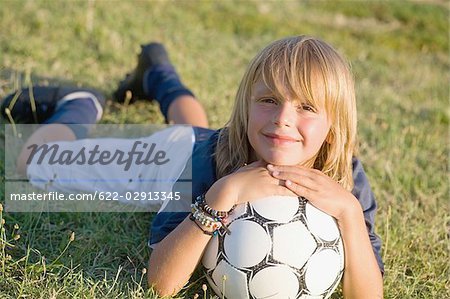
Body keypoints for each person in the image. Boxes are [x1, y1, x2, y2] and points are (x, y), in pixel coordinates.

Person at [1, 36, 383, 298]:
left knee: (192, 130)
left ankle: (159, 74)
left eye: (307, 107)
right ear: (245, 105)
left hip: (198, 138)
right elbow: (161, 284)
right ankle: (80, 101)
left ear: (334, 124)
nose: (282, 118)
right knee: (36, 162)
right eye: (268, 99)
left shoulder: (344, 177)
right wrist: (221, 194)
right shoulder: (205, 163)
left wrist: (348, 213)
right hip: (170, 159)